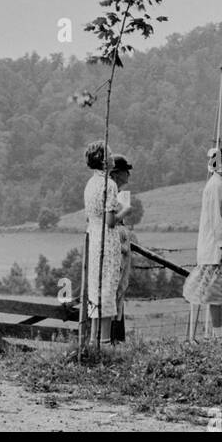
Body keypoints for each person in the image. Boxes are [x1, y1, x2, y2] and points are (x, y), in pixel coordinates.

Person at [183, 142, 222, 342]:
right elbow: (215, 218)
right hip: (217, 249)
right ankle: (217, 334)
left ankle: (221, 332)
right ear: (219, 163)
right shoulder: (215, 186)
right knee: (216, 291)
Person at [83, 141, 125, 346]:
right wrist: (124, 211)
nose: (111, 157)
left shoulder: (90, 184)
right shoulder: (109, 184)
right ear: (102, 160)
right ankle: (106, 340)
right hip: (107, 240)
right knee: (108, 286)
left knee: (95, 286)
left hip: (93, 237)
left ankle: (93, 338)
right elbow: (110, 221)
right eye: (108, 154)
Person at [109, 154, 140, 343]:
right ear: (116, 174)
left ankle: (115, 335)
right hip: (116, 250)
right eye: (125, 171)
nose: (128, 174)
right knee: (115, 291)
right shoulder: (112, 194)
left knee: (120, 291)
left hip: (122, 249)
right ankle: (113, 336)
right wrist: (126, 212)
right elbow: (110, 221)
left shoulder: (116, 193)